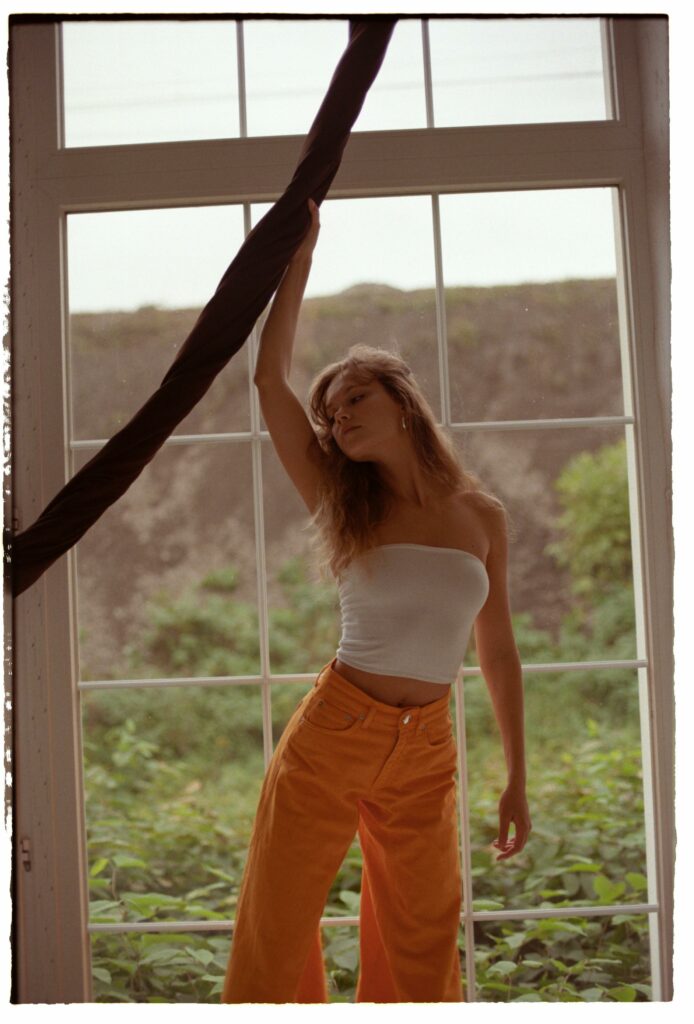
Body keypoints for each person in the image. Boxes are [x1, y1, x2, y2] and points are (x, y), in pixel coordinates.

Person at [222, 198, 531, 1004]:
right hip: (333, 734)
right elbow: (267, 378)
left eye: (355, 397)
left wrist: (517, 776)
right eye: (331, 412)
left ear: (401, 402)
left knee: (422, 949)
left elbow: (496, 650)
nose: (338, 416)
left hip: (427, 750)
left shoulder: (482, 515)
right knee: (278, 935)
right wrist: (300, 257)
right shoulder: (340, 499)